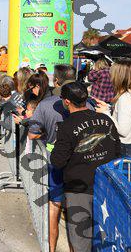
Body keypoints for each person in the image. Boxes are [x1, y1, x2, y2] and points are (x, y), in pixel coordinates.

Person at [51, 82, 120, 252]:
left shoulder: (66, 126)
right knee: (105, 238)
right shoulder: (105, 119)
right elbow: (117, 151)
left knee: (81, 240)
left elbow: (58, 161)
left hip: (79, 189)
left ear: (67, 101)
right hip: (106, 187)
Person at [26, 68, 71, 252]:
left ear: (57, 81)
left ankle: (51, 248)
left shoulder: (45, 105)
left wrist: (46, 135)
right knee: (73, 206)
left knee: (55, 206)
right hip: (78, 163)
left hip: (55, 161)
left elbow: (32, 133)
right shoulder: (88, 104)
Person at [94, 60, 131, 157]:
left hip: (126, 147)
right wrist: (108, 108)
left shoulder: (124, 98)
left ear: (119, 76)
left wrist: (105, 113)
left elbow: (123, 131)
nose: (110, 77)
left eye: (112, 73)